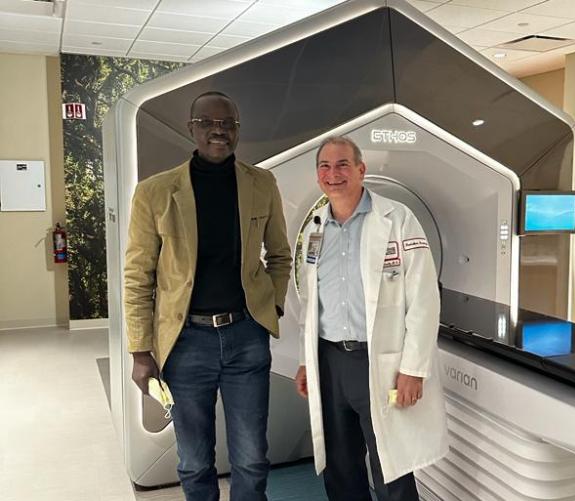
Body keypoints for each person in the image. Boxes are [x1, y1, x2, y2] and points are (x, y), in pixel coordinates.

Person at [123, 91, 292, 501]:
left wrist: (273, 307)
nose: (219, 131)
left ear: (237, 130)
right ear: (192, 128)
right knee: (195, 460)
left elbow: (281, 256)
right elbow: (137, 276)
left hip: (246, 340)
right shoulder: (155, 192)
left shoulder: (261, 183)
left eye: (228, 124)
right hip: (185, 344)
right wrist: (141, 351)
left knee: (252, 457)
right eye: (209, 123)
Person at [294, 136, 448, 501]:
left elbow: (425, 299)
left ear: (361, 170)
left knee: (390, 465)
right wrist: (305, 362)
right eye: (325, 167)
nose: (334, 174)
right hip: (329, 361)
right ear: (318, 176)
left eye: (343, 164)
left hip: (379, 361)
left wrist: (413, 368)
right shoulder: (314, 230)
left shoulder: (397, 220)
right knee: (340, 463)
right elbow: (310, 301)